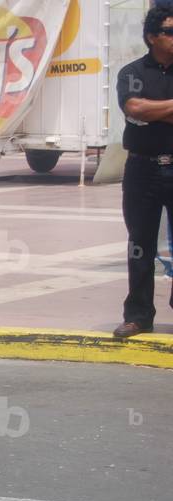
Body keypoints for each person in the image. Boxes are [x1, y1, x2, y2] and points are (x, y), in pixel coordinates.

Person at [113, 4, 173, 338]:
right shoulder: (132, 73)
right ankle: (138, 315)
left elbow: (143, 110)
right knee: (140, 245)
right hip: (142, 170)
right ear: (152, 37)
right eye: (170, 31)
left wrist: (153, 111)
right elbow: (133, 108)